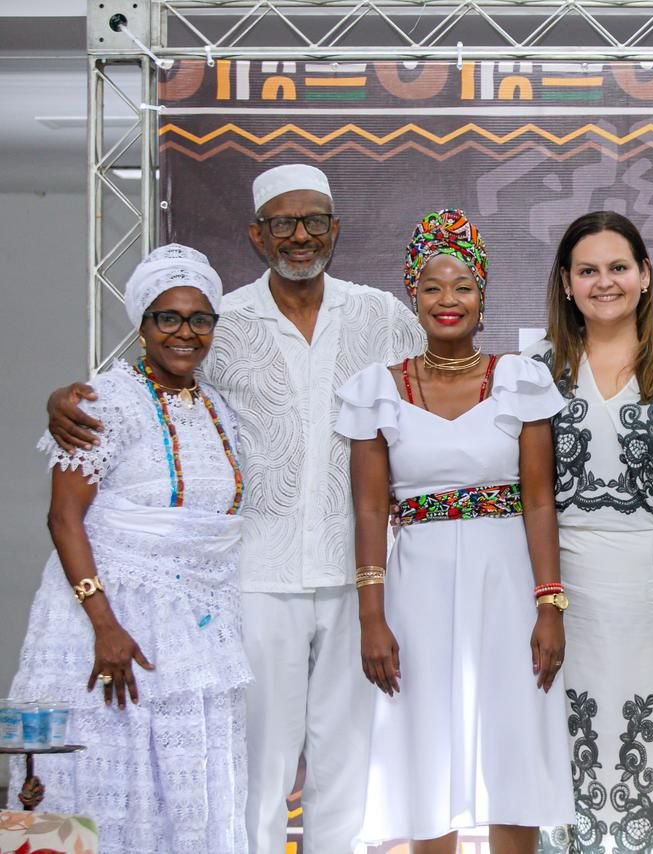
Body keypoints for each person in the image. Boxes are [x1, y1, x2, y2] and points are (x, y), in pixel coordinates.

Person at [46, 164, 426, 854]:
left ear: (335, 229)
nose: (301, 235)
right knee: (257, 768)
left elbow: (435, 394)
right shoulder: (223, 320)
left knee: (345, 768)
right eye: (284, 222)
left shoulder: (383, 317)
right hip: (252, 579)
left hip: (360, 578)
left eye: (314, 220)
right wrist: (66, 398)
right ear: (257, 235)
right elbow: (147, 379)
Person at [335, 209, 573, 852]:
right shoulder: (373, 392)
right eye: (433, 286)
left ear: (482, 296)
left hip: (507, 580)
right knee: (425, 743)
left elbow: (540, 501)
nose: (448, 299)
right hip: (418, 587)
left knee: (514, 739)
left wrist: (550, 605)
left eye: (462, 285)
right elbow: (366, 512)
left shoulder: (521, 380)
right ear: (413, 295)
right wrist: (371, 618)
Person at [10, 245, 249, 851]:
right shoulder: (101, 402)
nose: (185, 333)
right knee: (96, 787)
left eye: (200, 319)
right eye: (167, 317)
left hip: (195, 633)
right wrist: (103, 624)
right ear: (142, 324)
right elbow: (65, 518)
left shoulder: (218, 405)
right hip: (108, 631)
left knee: (187, 791)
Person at [522, 211, 653, 853]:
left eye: (617, 268)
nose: (603, 282)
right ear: (566, 281)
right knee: (568, 735)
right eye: (588, 270)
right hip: (564, 591)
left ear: (644, 277)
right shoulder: (532, 371)